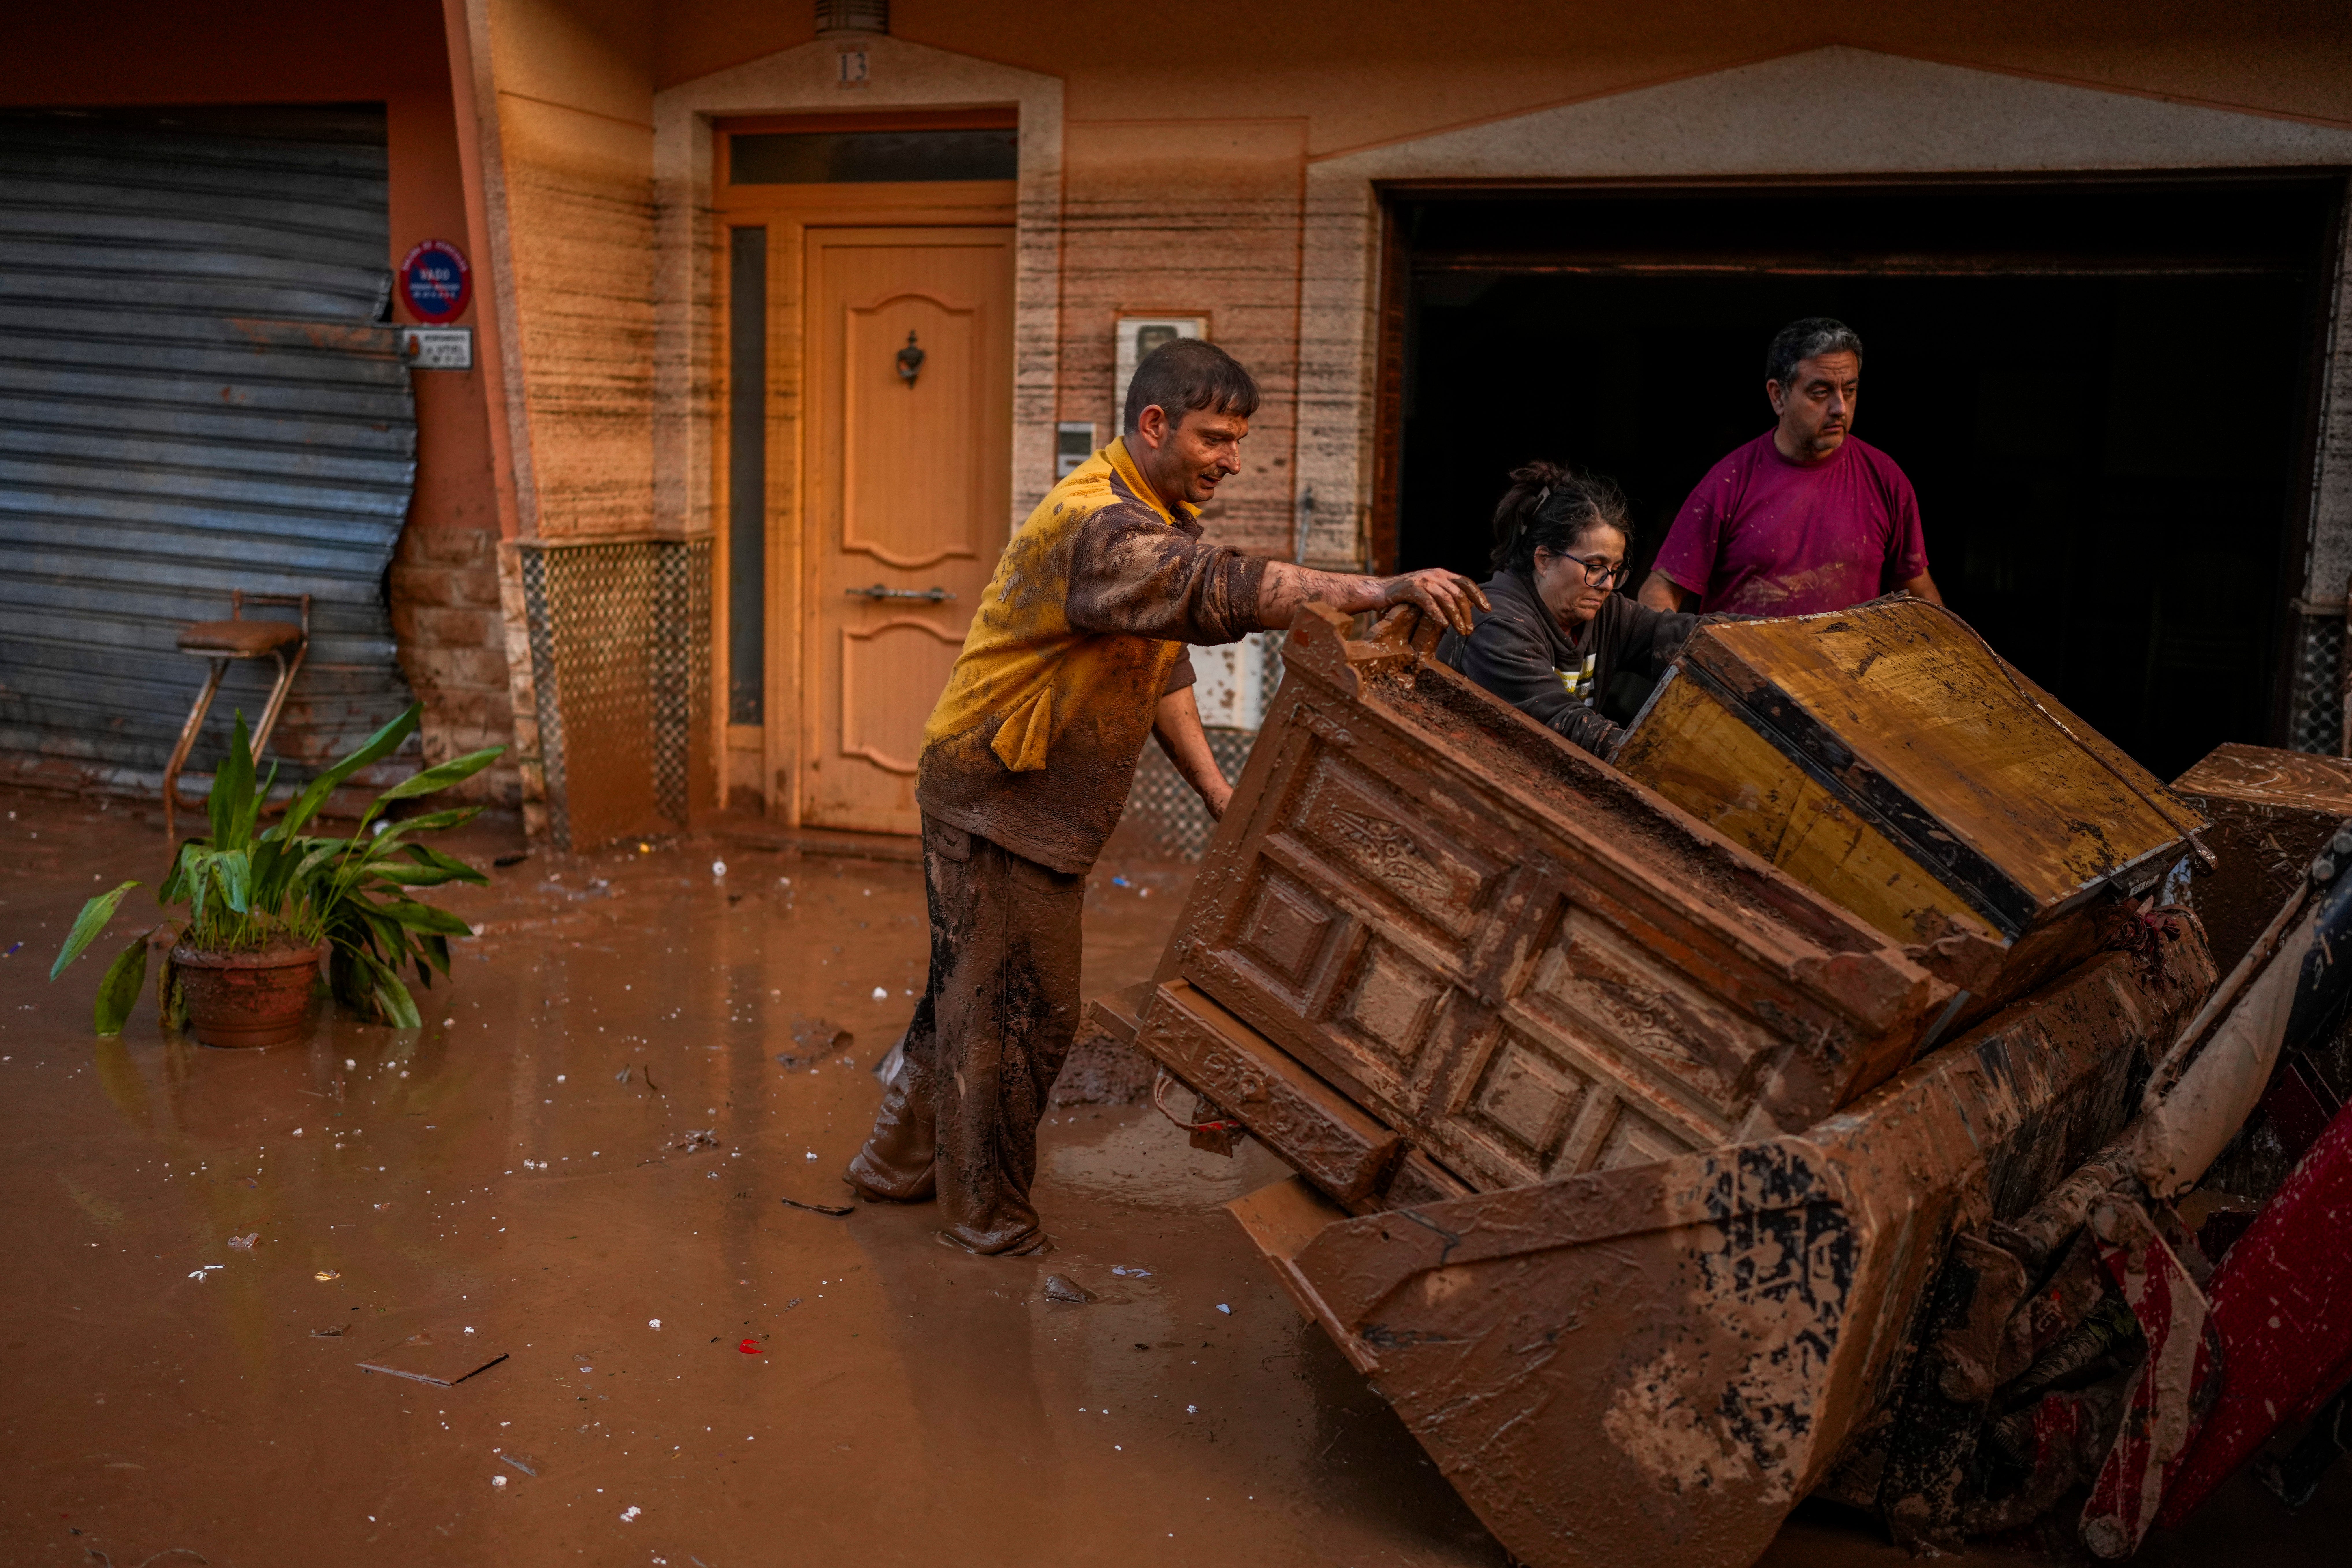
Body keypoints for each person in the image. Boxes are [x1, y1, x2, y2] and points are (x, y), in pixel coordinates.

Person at [845, 338, 1486, 1255]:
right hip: (999, 802)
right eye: (1215, 439)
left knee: (969, 993)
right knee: (1018, 1018)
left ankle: (892, 1168)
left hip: (1017, 801)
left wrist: (1215, 787)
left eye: (1238, 442)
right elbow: (1214, 588)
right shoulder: (1098, 527)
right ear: (1153, 425)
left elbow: (1161, 665)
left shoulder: (1147, 519)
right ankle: (985, 1226)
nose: (1231, 460)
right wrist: (1373, 588)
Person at [1637, 317, 1941, 617]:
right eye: (1820, 393)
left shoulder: (1885, 478)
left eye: (1849, 390)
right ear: (1777, 396)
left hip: (1848, 666)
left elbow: (1917, 590)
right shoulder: (1728, 482)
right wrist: (1678, 657)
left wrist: (1948, 659)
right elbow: (1659, 591)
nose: (1840, 408)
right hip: (1742, 666)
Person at [1438, 462, 1697, 756]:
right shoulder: (1496, 624)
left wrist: (1754, 637)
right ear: (1544, 559)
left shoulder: (1605, 613)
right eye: (1595, 567)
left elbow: (1688, 637)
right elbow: (1566, 725)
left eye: (1614, 569)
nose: (1607, 584)